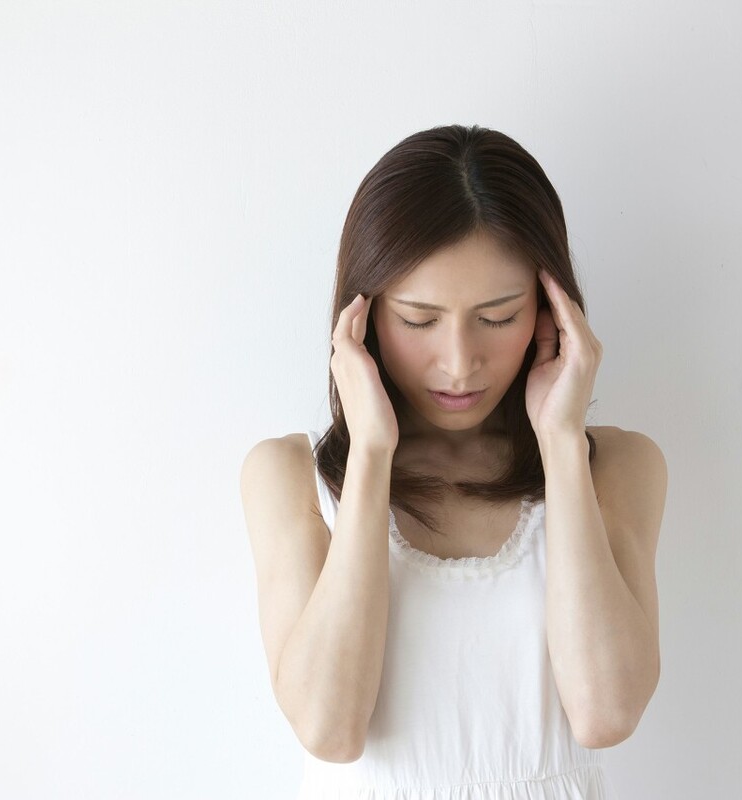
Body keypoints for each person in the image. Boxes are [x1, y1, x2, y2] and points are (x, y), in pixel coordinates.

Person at [240, 124, 667, 799]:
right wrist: (373, 453)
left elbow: (605, 713)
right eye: (417, 320)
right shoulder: (288, 477)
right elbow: (330, 727)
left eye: (498, 317)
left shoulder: (615, 466)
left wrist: (559, 443)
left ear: (552, 310)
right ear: (364, 317)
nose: (460, 363)